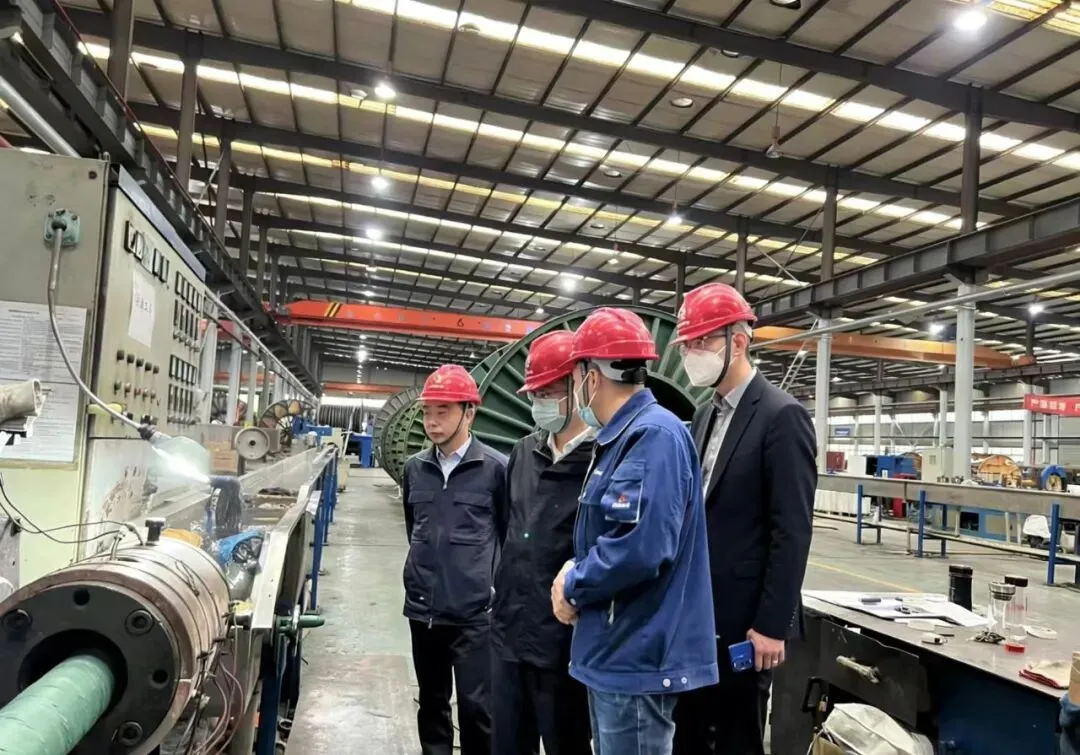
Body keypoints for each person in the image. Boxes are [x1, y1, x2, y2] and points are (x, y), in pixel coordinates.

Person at [549, 307, 718, 755]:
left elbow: (640, 548)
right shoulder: (622, 437)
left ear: (591, 376)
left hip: (636, 655)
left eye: (575, 376)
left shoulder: (653, 436)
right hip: (614, 651)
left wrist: (573, 582)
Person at [670, 282, 817, 755]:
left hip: (747, 625)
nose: (691, 353)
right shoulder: (703, 416)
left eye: (701, 341)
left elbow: (791, 530)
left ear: (738, 341)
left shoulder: (781, 416)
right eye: (687, 344)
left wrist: (772, 624)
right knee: (692, 733)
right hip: (699, 616)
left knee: (736, 738)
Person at [490, 331, 594, 755]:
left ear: (581, 385)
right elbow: (508, 530)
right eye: (535, 393)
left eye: (549, 392)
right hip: (509, 634)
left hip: (563, 644)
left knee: (565, 743)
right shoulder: (523, 453)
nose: (540, 403)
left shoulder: (602, 458)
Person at [400, 364, 508, 755]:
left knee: (479, 709)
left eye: (442, 411)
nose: (432, 421)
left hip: (474, 615)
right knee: (431, 703)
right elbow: (414, 528)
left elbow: (507, 535)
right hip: (423, 611)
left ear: (469, 412)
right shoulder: (415, 469)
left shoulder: (496, 469)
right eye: (427, 411)